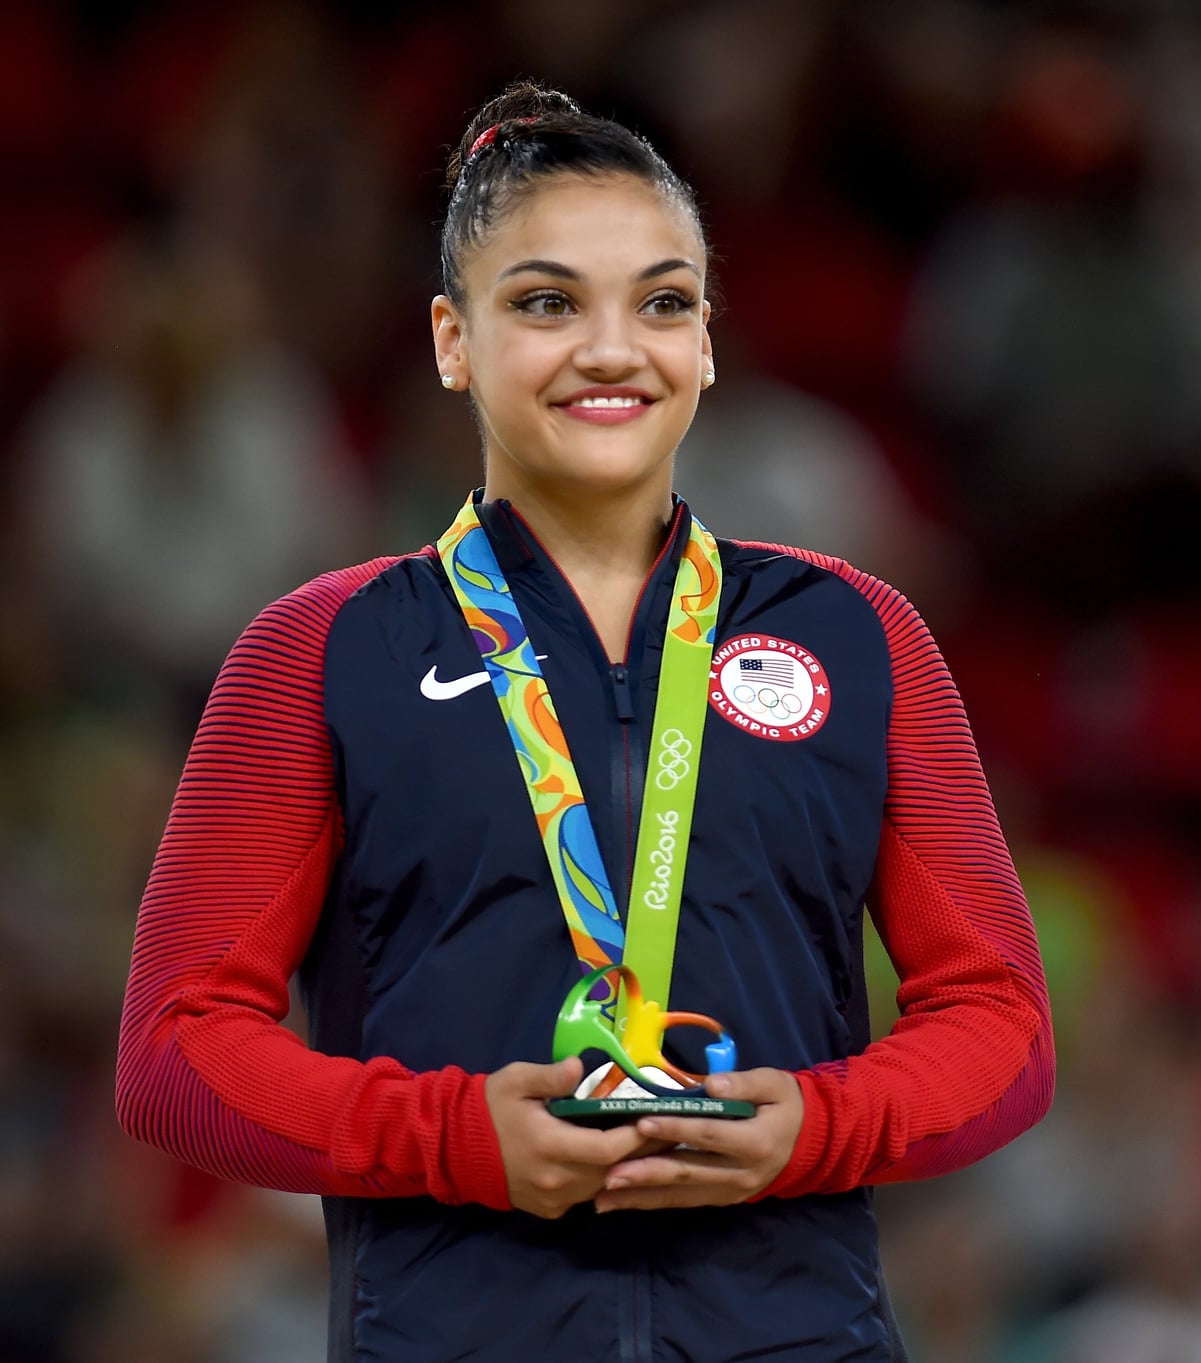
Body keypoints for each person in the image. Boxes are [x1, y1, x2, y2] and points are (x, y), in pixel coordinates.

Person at [114, 81, 1054, 1363]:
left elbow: (1000, 1022)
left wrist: (814, 1125)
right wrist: (457, 1138)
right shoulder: (317, 654)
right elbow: (174, 1050)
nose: (613, 350)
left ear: (709, 342)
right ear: (452, 340)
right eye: (546, 302)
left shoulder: (858, 634)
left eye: (662, 302)